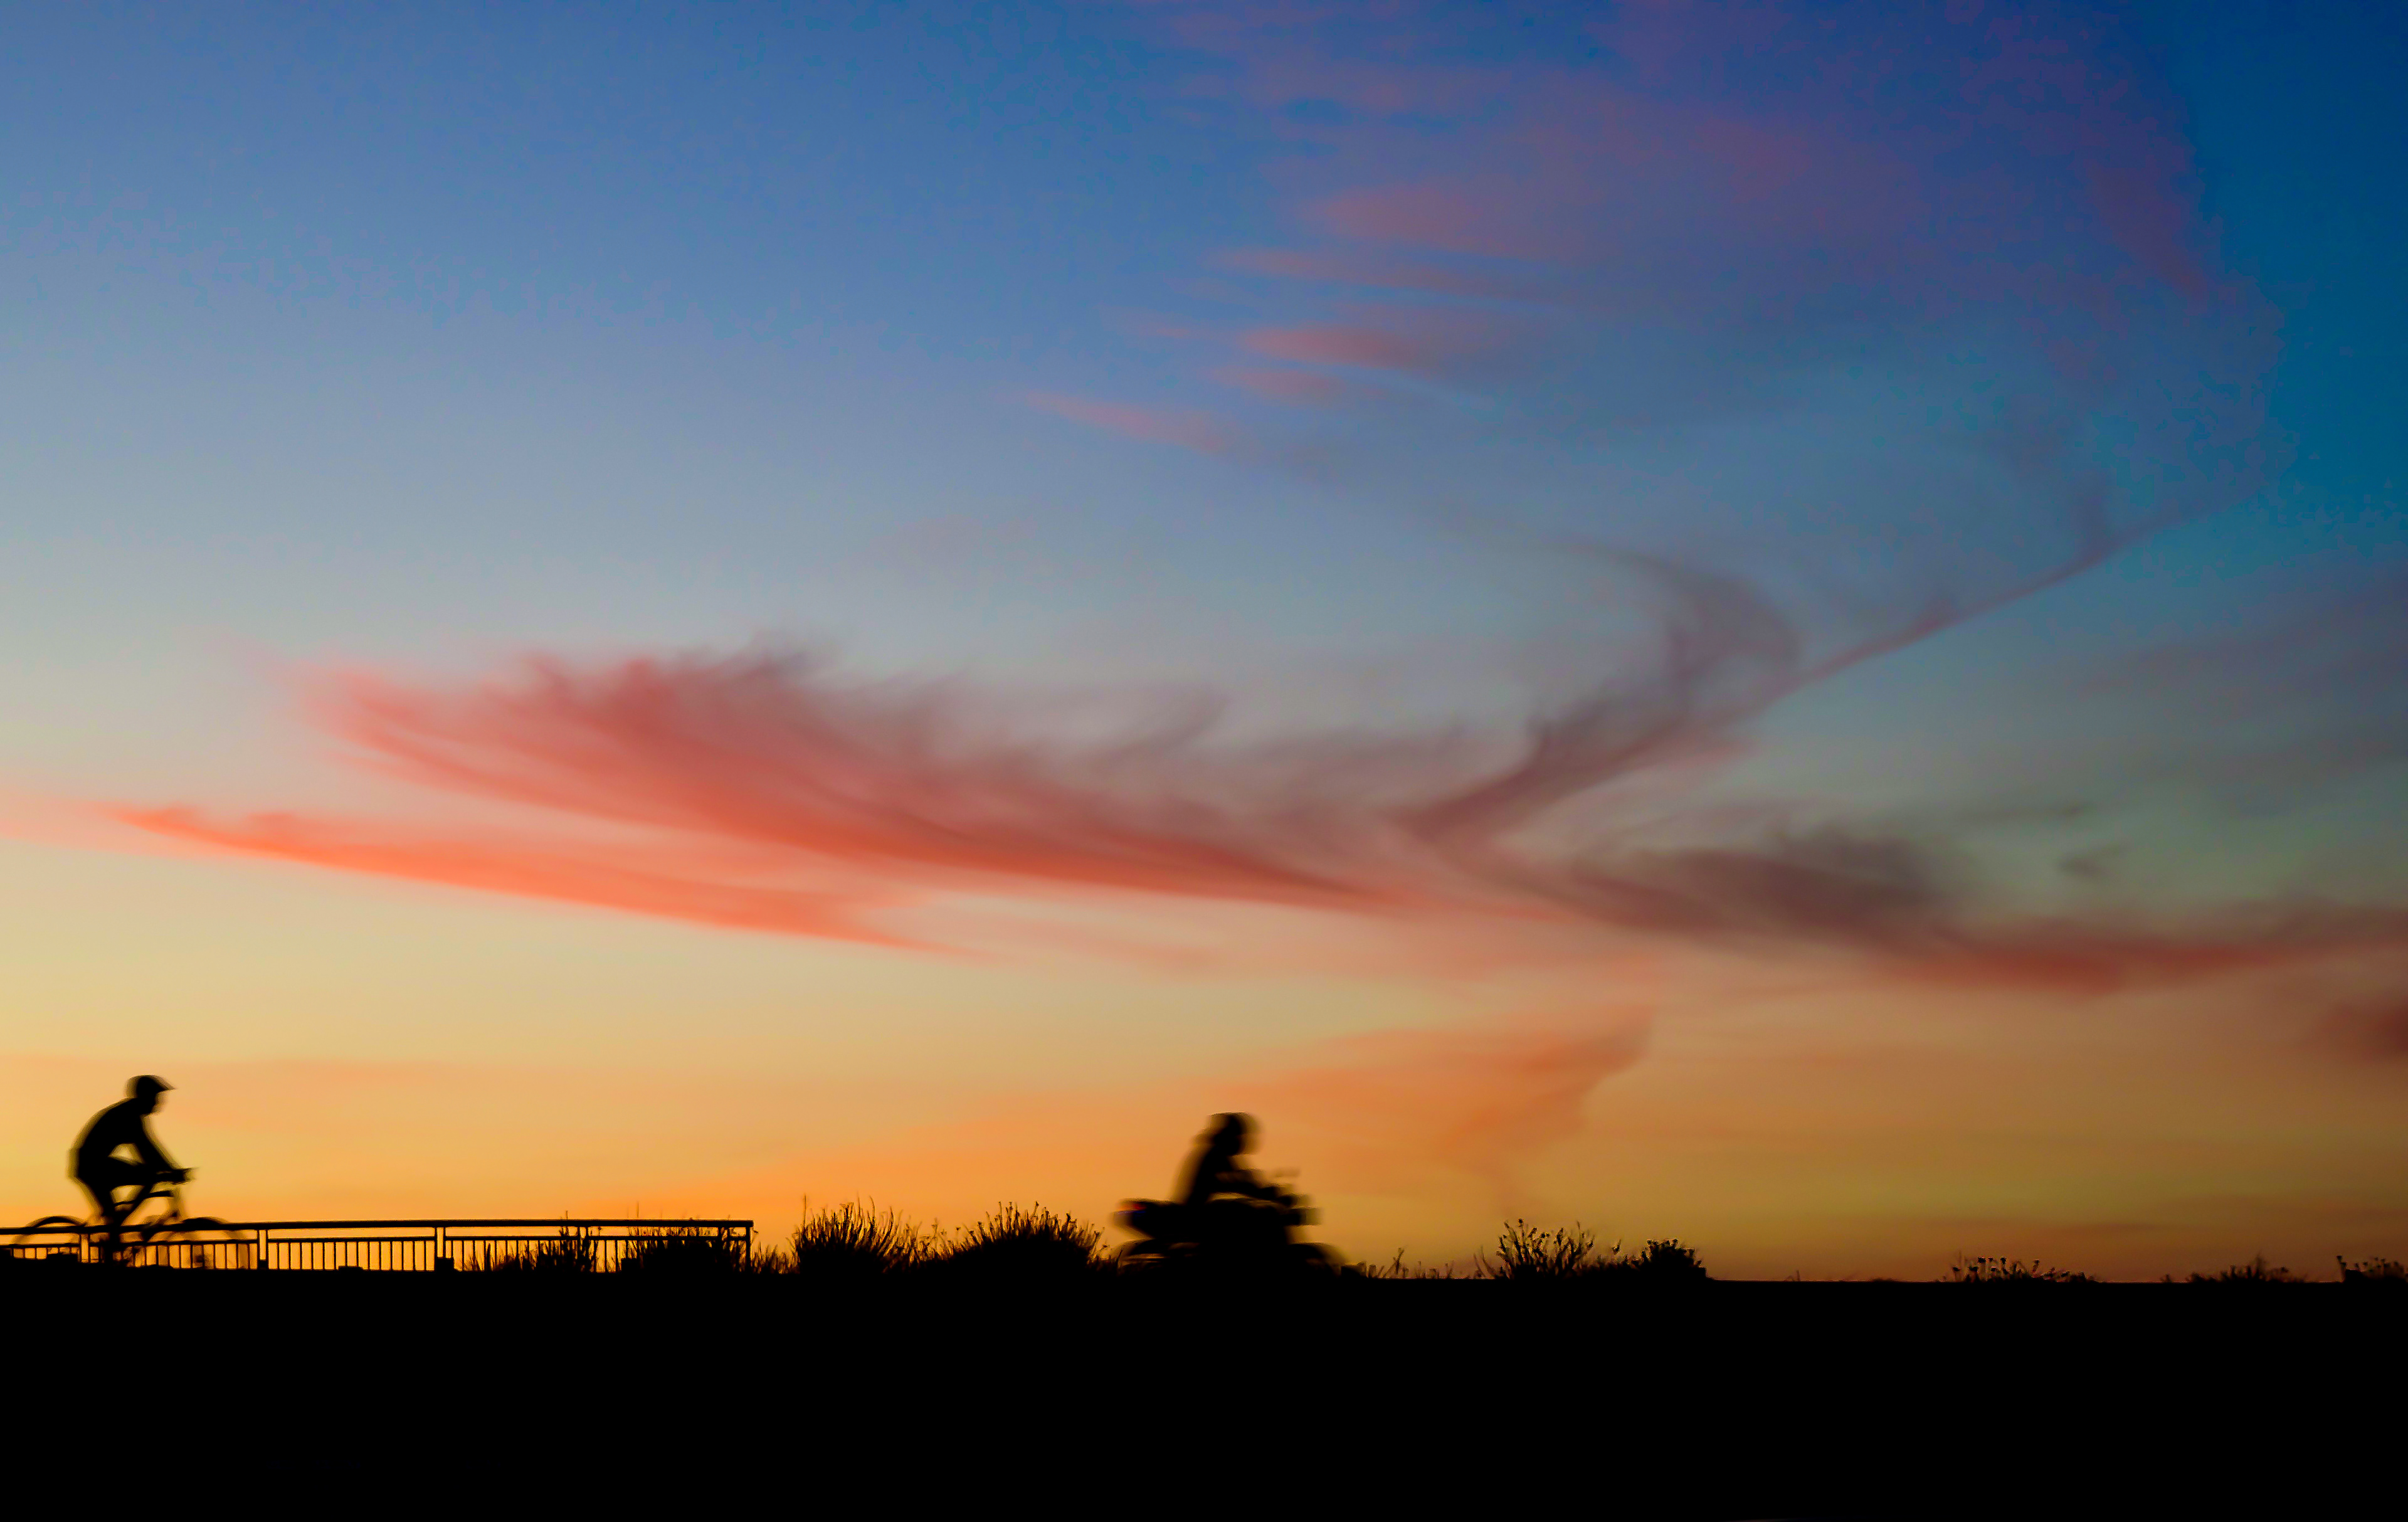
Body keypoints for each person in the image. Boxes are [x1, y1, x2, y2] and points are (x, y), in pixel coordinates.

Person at [71, 1075, 189, 1252]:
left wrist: (170, 1170)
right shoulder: (130, 1115)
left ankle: (116, 1229)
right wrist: (172, 1171)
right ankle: (116, 1230)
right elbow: (147, 1150)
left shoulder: (131, 1113)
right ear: (145, 1096)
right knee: (148, 1178)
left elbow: (149, 1150)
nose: (159, 1102)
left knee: (117, 1216)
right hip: (92, 1165)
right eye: (156, 1097)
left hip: (94, 1163)